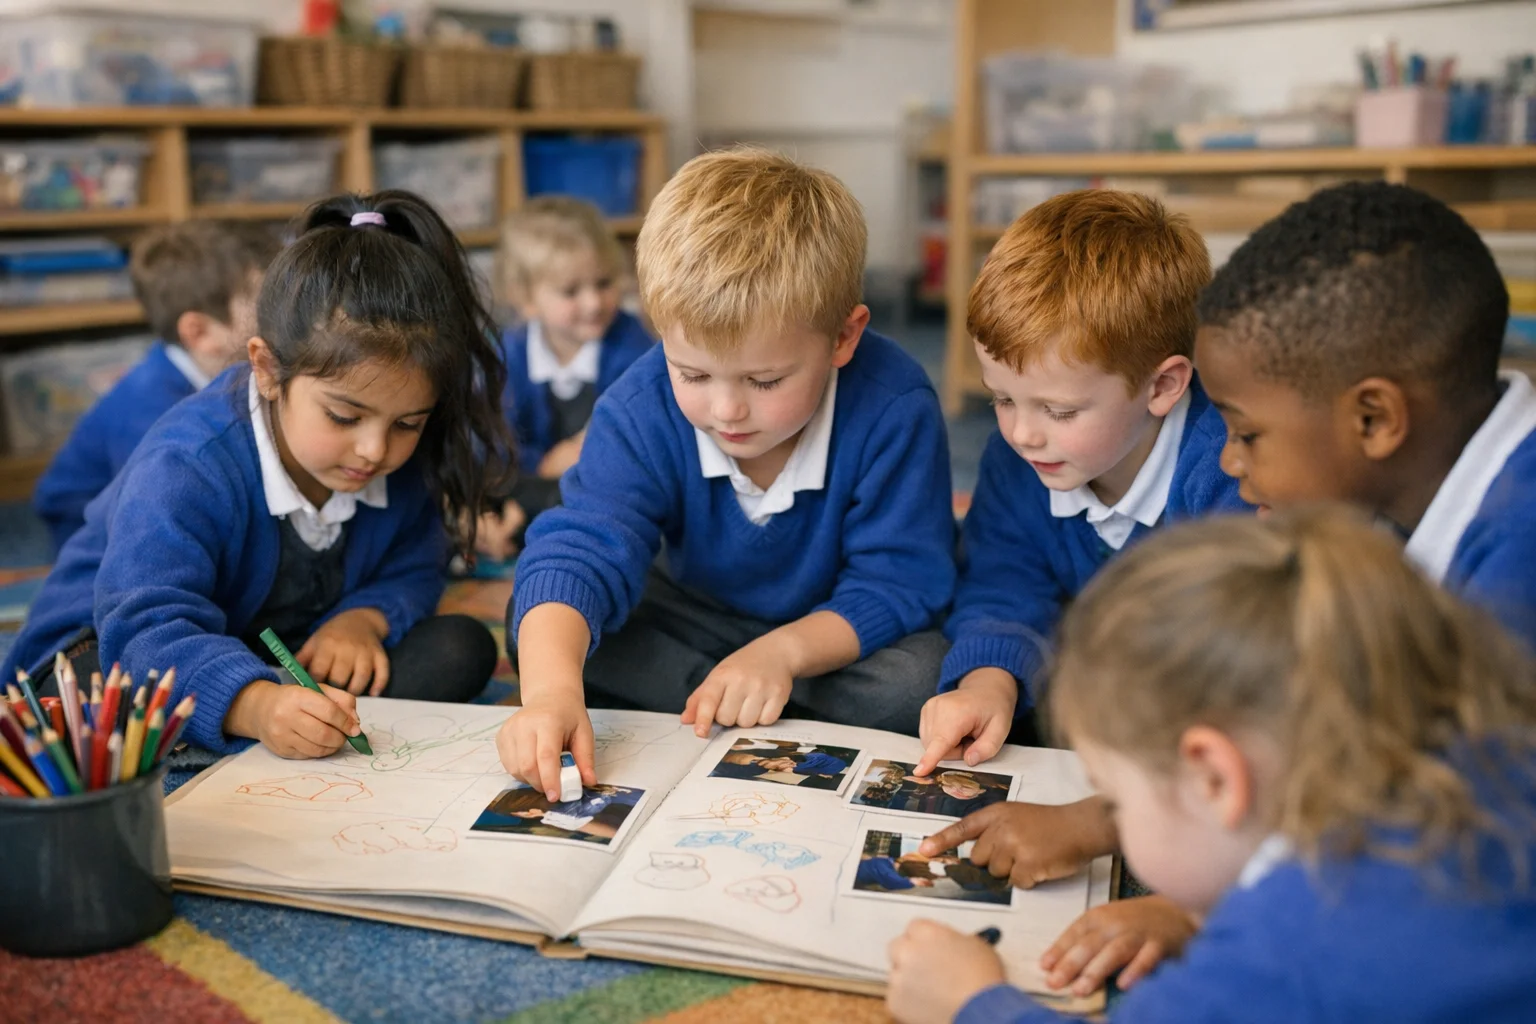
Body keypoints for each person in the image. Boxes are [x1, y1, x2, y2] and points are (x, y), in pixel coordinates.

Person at [887, 508, 1536, 1023]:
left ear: (1217, 778)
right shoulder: (1483, 773)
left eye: (1114, 793)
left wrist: (972, 1003)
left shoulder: (1274, 951)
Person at [498, 149, 955, 801]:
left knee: (923, 678)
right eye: (693, 374)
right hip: (694, 617)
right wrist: (547, 697)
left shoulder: (894, 404)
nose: (726, 409)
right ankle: (737, 697)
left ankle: (735, 694)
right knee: (545, 622)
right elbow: (584, 545)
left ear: (843, 338)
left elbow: (901, 580)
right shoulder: (640, 401)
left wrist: (783, 655)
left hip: (829, 635)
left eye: (765, 380)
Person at [2, 192, 513, 759]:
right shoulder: (189, 463)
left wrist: (364, 621)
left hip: (263, 639)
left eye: (408, 423)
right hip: (110, 645)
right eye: (344, 416)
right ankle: (249, 721)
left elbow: (414, 564)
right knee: (99, 698)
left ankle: (263, 725)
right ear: (268, 371)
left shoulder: (395, 453)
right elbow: (144, 624)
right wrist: (254, 702)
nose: (374, 450)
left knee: (460, 648)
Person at [33, 220, 280, 552]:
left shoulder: (220, 373)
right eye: (264, 306)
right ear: (199, 333)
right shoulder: (150, 413)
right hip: (83, 526)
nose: (281, 317)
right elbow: (154, 510)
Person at [477, 197, 655, 560]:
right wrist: (540, 464)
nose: (593, 303)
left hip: (599, 483)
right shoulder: (507, 354)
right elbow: (492, 438)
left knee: (610, 497)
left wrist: (583, 450)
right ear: (526, 299)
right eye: (571, 291)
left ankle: (539, 532)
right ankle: (508, 528)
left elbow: (640, 419)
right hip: (528, 482)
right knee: (483, 492)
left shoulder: (630, 342)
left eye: (604, 283)